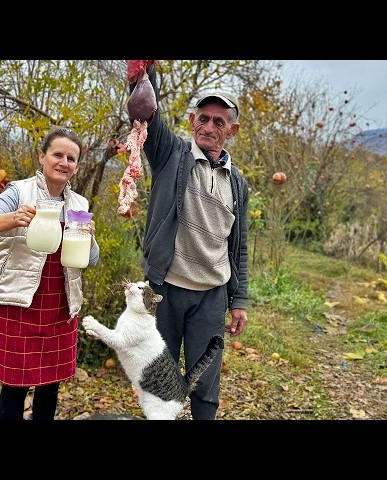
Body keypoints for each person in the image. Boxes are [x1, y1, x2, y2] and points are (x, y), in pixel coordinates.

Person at [129, 62, 249, 420]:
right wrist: (141, 73)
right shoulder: (171, 155)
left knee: (206, 385)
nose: (209, 127)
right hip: (165, 291)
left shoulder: (238, 183)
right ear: (192, 120)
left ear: (232, 130)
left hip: (211, 297)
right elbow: (147, 111)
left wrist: (238, 300)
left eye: (219, 122)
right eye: (203, 118)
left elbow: (239, 248)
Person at [0, 128, 99, 420]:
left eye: (71, 158)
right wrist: (11, 219)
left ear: (76, 166)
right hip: (20, 302)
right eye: (57, 154)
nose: (64, 162)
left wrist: (90, 237)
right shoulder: (18, 192)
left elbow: (91, 259)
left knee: (50, 385)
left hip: (61, 303)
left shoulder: (79, 204)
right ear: (42, 156)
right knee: (15, 384)